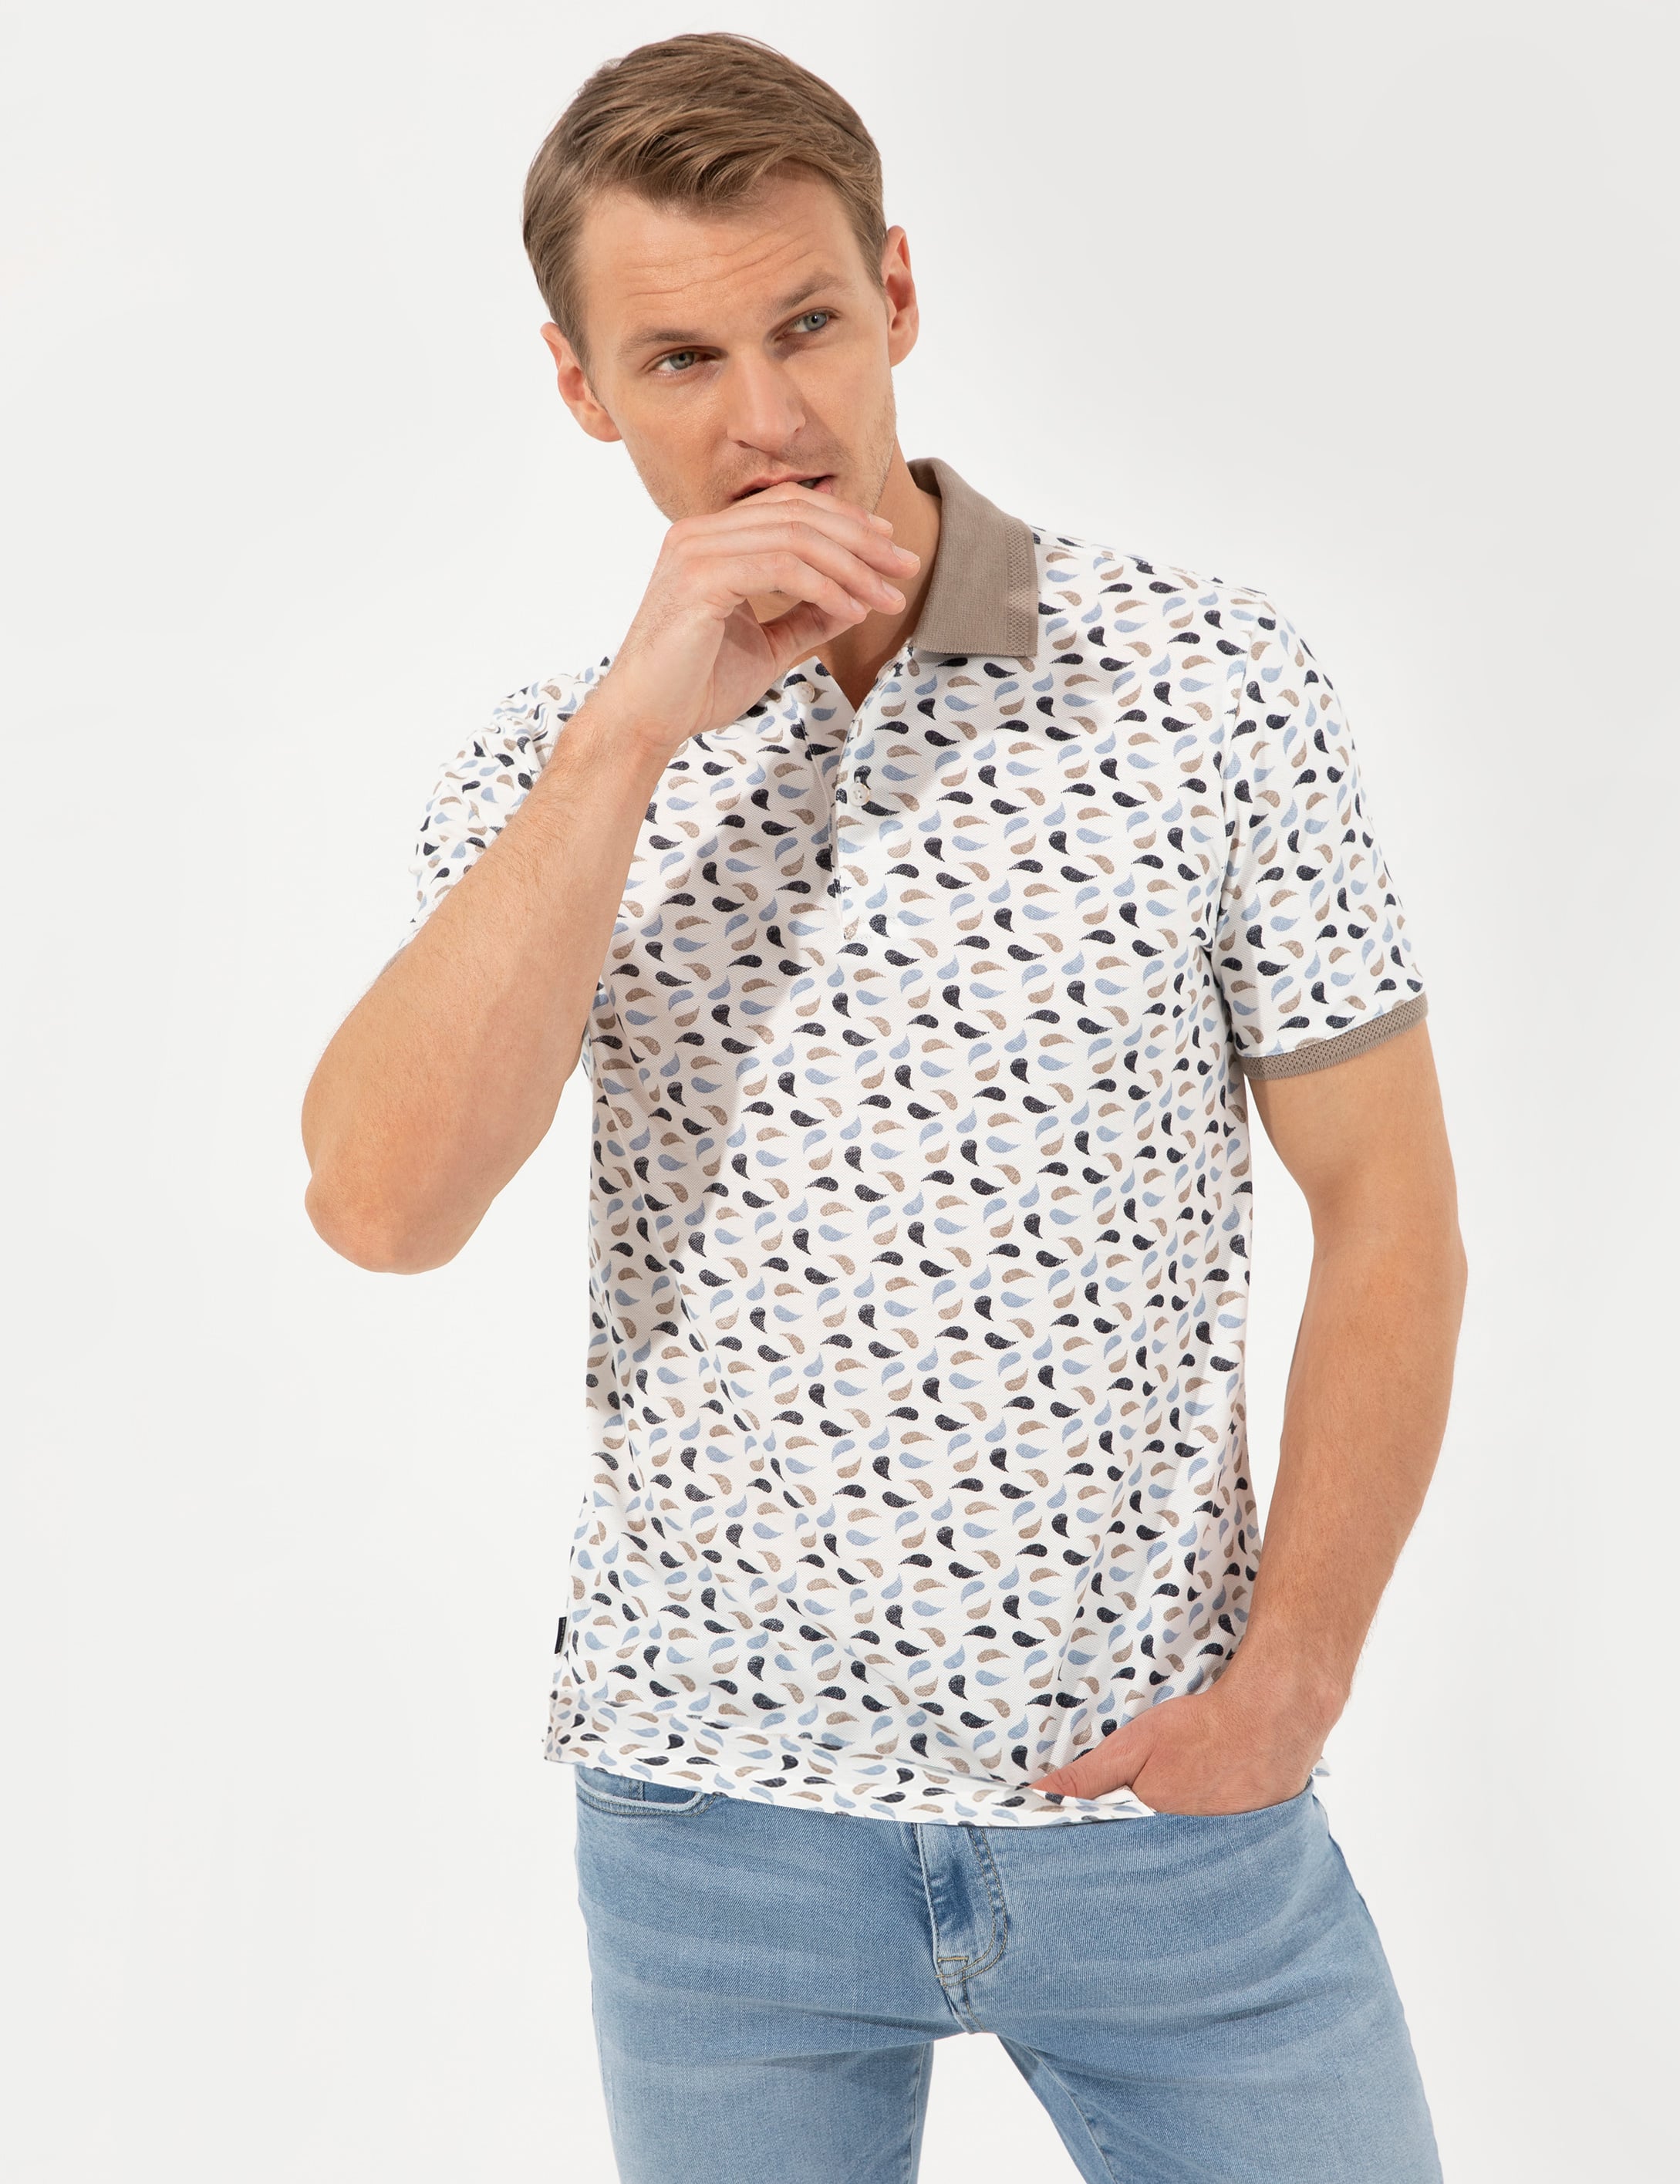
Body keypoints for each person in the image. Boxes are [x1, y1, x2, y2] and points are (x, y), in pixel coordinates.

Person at [301, 31, 1466, 2183]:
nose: (766, 419)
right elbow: (380, 1206)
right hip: (716, 1841)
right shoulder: (552, 769)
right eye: (679, 359)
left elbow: (1388, 1206)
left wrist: (1290, 1685)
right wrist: (631, 735)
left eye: (809, 324)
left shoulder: (1206, 684)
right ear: (579, 386)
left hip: (1161, 1814)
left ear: (899, 295)